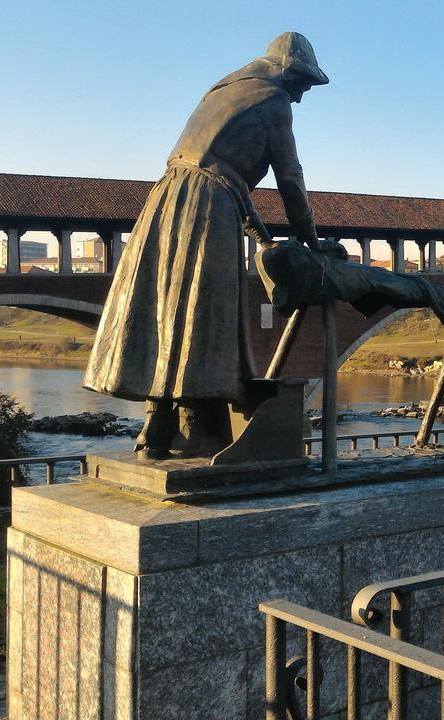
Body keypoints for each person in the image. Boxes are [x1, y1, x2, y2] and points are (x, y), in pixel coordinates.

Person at [84, 32, 329, 459]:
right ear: (287, 71)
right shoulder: (273, 101)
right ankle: (196, 431)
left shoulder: (221, 93)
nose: (302, 96)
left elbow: (221, 173)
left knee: (163, 310)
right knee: (204, 312)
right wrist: (312, 240)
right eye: (303, 84)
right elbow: (290, 176)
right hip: (209, 209)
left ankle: (155, 430)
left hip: (166, 198)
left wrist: (263, 240)